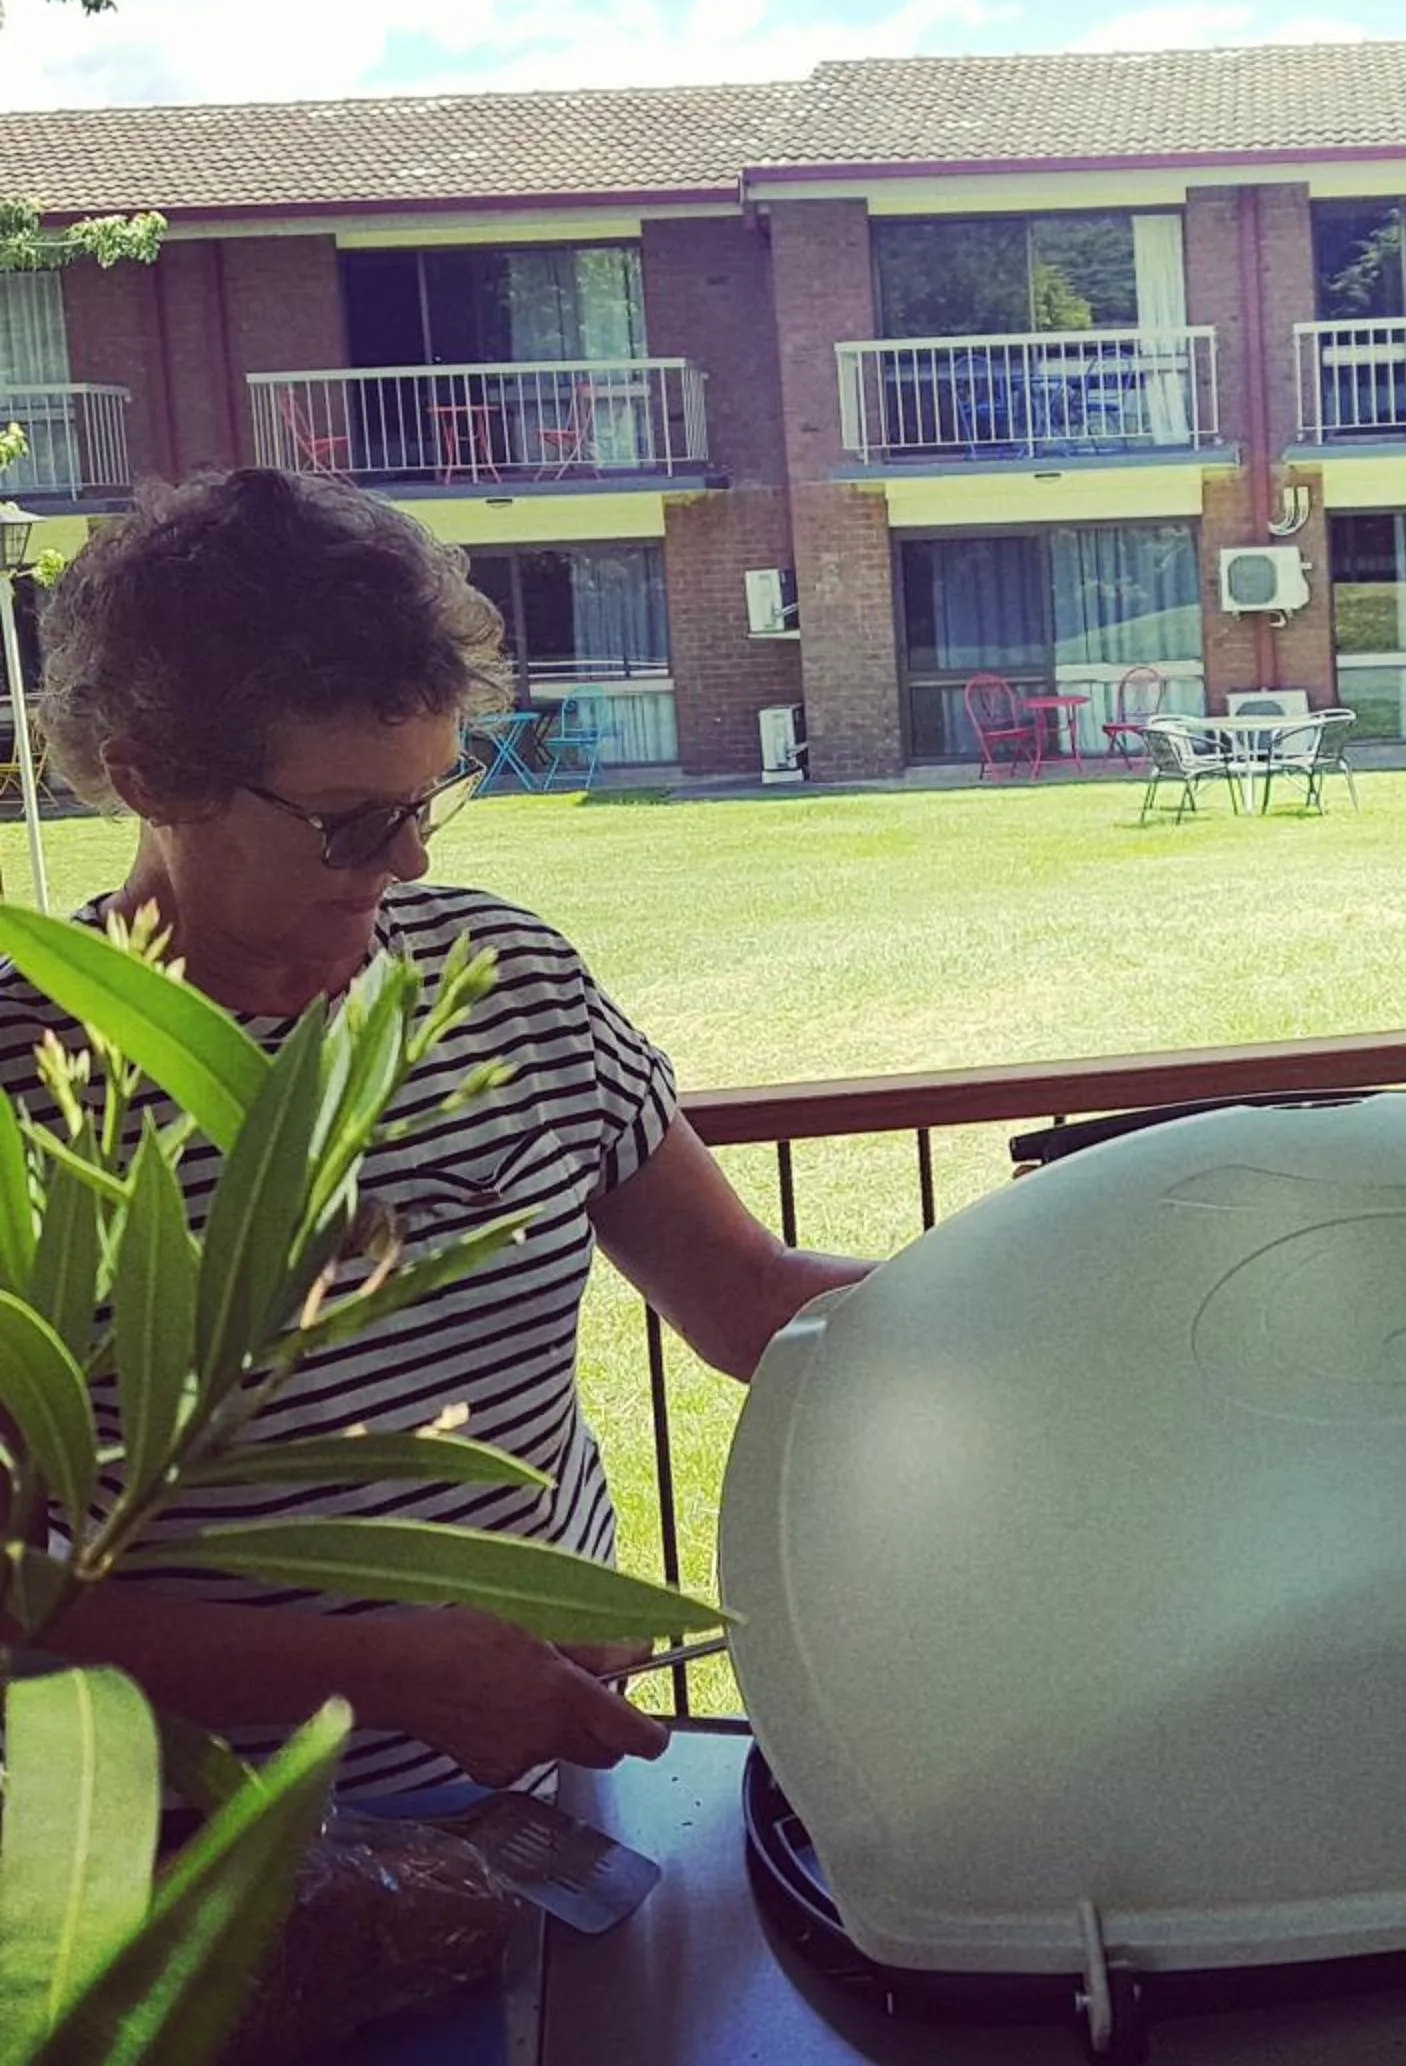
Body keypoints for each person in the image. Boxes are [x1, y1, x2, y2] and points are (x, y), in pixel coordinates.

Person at [3, 468, 871, 1795]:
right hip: (206, 1864)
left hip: (559, 1791)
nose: (407, 862)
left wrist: (1047, 1282)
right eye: (350, 821)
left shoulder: (506, 976)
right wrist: (391, 1672)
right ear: (152, 777)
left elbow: (747, 1296)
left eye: (426, 800)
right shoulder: (30, 1077)